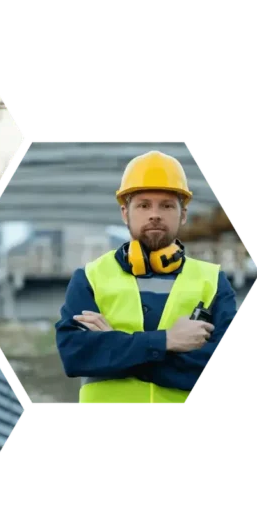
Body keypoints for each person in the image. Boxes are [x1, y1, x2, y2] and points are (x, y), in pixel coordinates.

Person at [55, 150, 238, 405]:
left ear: (183, 214)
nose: (155, 214)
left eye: (166, 205)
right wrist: (168, 341)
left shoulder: (213, 282)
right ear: (124, 213)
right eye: (143, 205)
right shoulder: (90, 278)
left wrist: (115, 349)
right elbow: (75, 355)